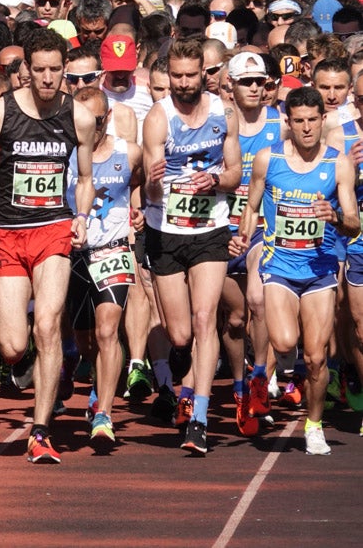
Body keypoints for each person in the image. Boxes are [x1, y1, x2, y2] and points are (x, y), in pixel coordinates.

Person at [0, 28, 95, 464]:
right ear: (26, 71)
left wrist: (81, 217)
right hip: (7, 232)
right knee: (12, 346)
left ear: (64, 70)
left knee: (47, 324)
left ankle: (41, 430)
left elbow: (84, 178)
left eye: (55, 70)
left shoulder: (78, 116)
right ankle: (27, 368)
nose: (46, 78)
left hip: (53, 230)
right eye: (38, 70)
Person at [237, 86, 359, 455]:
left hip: (320, 269)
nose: (307, 128)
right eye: (299, 121)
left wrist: (335, 217)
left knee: (317, 356)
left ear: (323, 120)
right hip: (280, 266)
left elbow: (353, 223)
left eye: (313, 121)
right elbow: (251, 206)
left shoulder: (338, 163)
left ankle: (314, 424)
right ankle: (280, 371)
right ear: (287, 123)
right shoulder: (267, 159)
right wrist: (243, 237)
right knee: (285, 342)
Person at [142, 37, 241, 455]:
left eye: (190, 76)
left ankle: (198, 419)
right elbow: (147, 183)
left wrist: (215, 181)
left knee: (205, 319)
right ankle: (178, 357)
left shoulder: (224, 114)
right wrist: (154, 180)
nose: (183, 84)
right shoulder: (158, 118)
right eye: (176, 77)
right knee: (181, 333)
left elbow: (235, 172)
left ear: (205, 73)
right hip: (165, 230)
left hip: (210, 229)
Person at [66, 87, 142, 446]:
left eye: (94, 122)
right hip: (72, 256)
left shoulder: (129, 153)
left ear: (107, 119)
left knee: (107, 331)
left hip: (112, 251)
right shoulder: (64, 154)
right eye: (80, 121)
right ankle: (89, 373)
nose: (87, 129)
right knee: (85, 339)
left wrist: (139, 209)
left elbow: (145, 182)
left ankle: (104, 414)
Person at [222, 52, 280, 434]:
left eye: (260, 81)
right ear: (230, 86)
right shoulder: (216, 123)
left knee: (260, 302)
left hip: (264, 227)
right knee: (235, 317)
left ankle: (260, 377)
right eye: (246, 82)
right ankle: (240, 389)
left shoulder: (281, 123)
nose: (255, 88)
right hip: (222, 229)